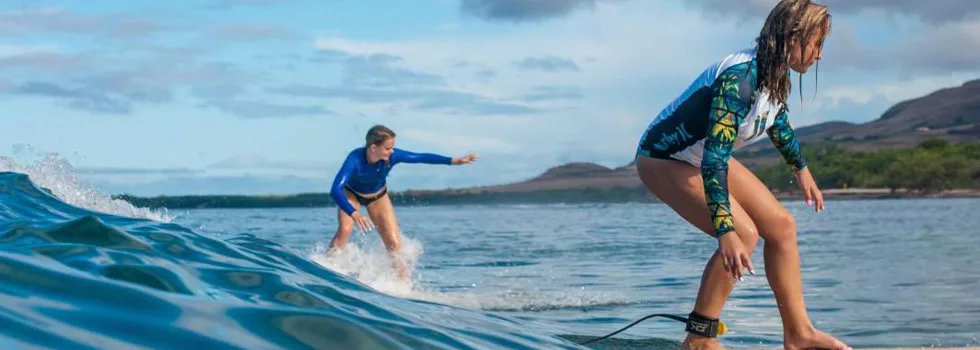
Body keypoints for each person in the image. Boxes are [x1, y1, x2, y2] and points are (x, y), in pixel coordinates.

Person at [633, 1, 850, 349]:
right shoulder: (739, 81)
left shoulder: (775, 75)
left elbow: (777, 120)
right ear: (793, 37)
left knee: (781, 226)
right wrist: (725, 232)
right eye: (817, 44)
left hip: (703, 154)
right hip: (663, 158)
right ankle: (699, 338)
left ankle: (799, 334)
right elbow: (716, 160)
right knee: (743, 233)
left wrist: (802, 170)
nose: (820, 55)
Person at [327, 124, 478, 279]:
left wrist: (454, 161)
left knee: (394, 246)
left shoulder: (392, 156)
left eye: (392, 147)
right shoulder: (354, 160)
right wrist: (354, 214)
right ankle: (328, 269)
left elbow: (420, 157)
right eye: (387, 148)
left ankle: (401, 284)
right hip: (351, 194)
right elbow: (335, 190)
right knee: (345, 230)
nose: (392, 151)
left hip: (378, 197)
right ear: (373, 147)